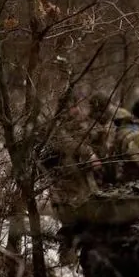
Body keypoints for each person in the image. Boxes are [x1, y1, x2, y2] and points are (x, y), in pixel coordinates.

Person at [39, 94, 100, 224]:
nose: (77, 109)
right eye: (73, 106)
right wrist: (90, 153)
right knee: (71, 218)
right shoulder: (55, 126)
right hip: (64, 181)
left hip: (76, 180)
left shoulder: (74, 124)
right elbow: (67, 144)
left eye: (77, 105)